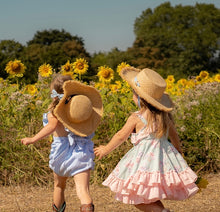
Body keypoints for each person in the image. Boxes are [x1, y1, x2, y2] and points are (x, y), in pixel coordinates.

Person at [94, 67, 199, 212]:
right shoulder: (164, 116)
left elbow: (120, 136)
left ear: (138, 97)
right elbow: (174, 135)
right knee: (152, 198)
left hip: (143, 161)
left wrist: (105, 149)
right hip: (164, 160)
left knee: (136, 198)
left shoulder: (136, 118)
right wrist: (179, 151)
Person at [21, 74, 103, 212]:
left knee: (59, 186)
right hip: (81, 153)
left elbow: (51, 127)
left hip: (61, 154)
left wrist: (33, 139)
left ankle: (57, 209)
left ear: (54, 95)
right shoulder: (80, 110)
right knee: (83, 190)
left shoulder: (54, 112)